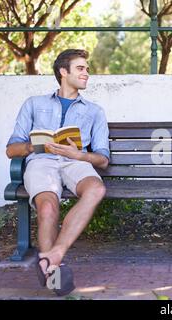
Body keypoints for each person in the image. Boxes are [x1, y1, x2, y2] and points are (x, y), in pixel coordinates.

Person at [6, 49, 109, 295]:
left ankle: (53, 255)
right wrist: (33, 146)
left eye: (87, 69)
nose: (87, 73)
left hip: (75, 161)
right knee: (48, 207)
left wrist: (79, 154)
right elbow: (11, 150)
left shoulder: (95, 111)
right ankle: (54, 274)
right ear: (63, 72)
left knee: (96, 188)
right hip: (41, 161)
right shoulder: (33, 104)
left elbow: (103, 159)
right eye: (80, 68)